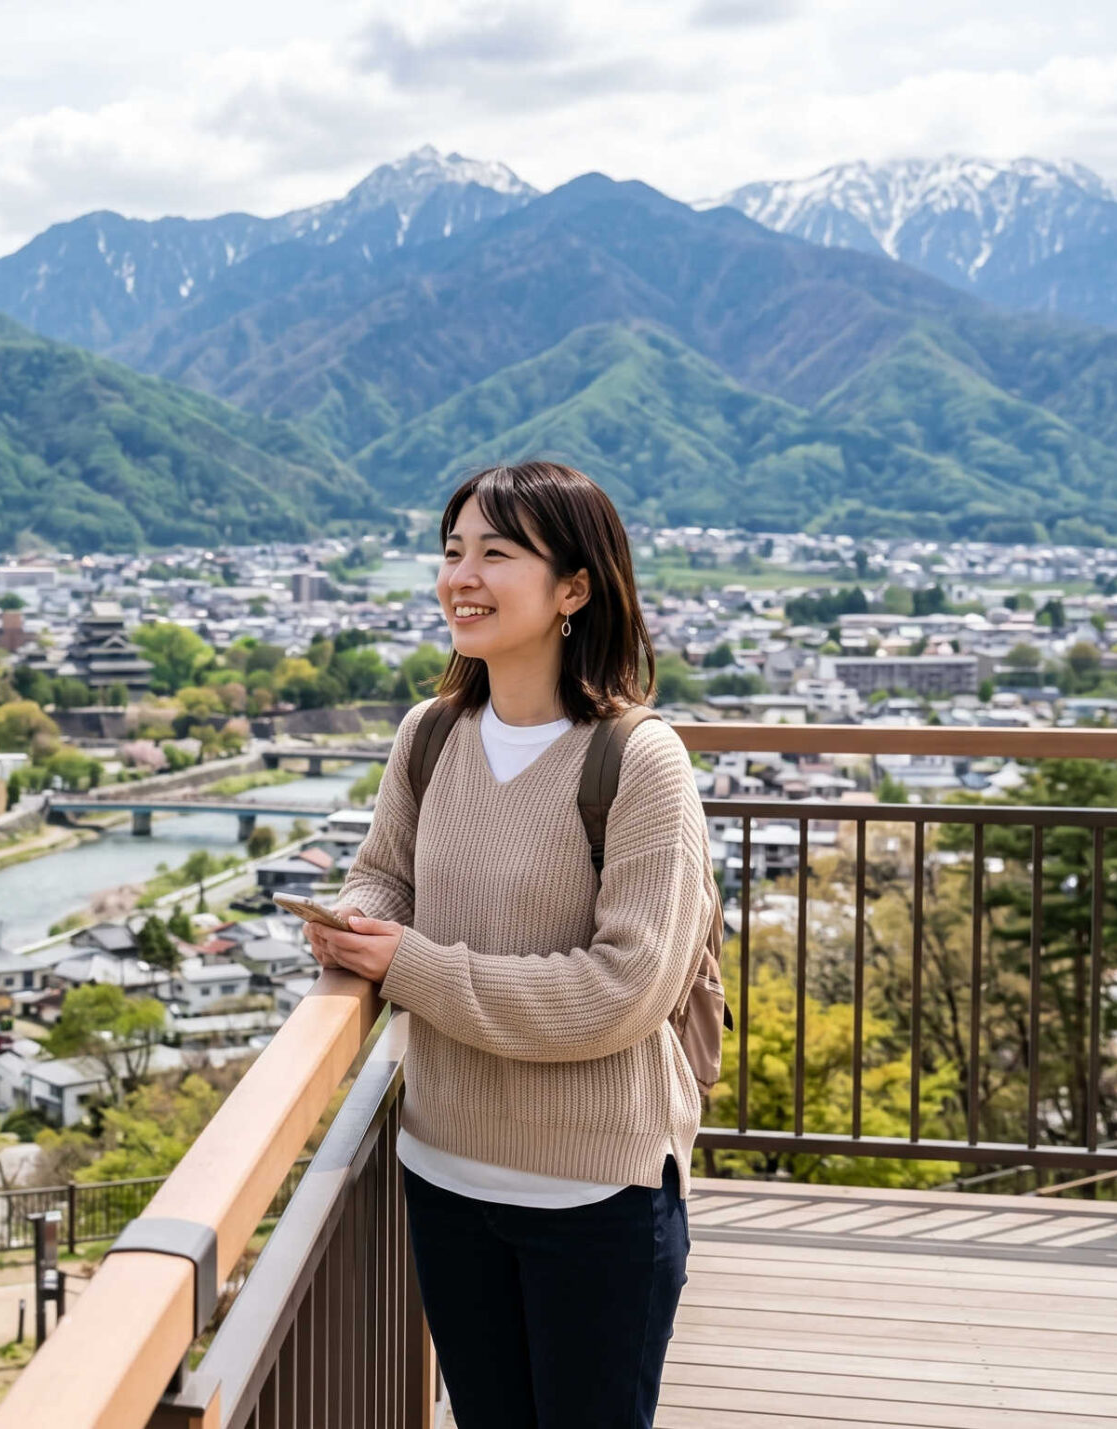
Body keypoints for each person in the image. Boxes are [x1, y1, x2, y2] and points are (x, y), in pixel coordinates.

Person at [308, 461, 709, 1428]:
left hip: (596, 1191)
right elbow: (383, 872)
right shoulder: (432, 734)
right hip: (444, 1168)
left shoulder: (638, 759)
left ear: (575, 587)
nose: (462, 576)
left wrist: (406, 964)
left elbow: (621, 991)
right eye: (452, 552)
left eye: (497, 552)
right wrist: (360, 921)